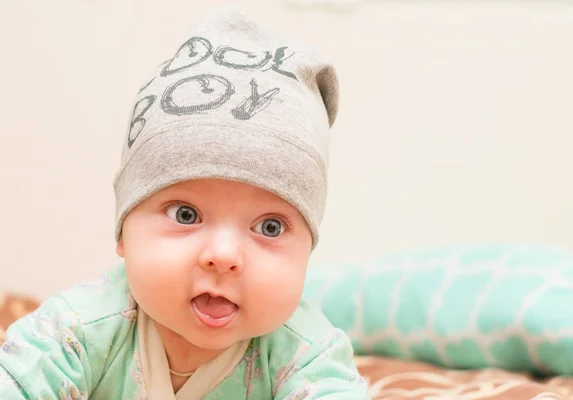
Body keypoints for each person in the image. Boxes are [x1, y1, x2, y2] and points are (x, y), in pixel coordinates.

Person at [0, 7, 369, 400]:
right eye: (186, 214)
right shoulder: (75, 330)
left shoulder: (307, 356)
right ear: (124, 231)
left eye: (270, 226)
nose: (224, 255)